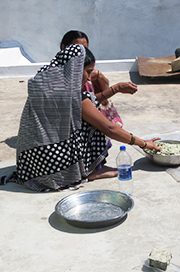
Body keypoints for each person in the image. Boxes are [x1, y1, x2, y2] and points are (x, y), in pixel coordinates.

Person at [10, 44, 161, 191]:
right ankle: (91, 170)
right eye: (88, 72)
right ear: (75, 69)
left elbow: (87, 102)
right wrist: (143, 144)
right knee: (96, 117)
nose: (89, 78)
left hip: (32, 166)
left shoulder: (43, 84)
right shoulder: (72, 97)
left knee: (90, 105)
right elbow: (109, 128)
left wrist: (116, 88)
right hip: (57, 171)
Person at [60, 30, 137, 127]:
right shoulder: (65, 74)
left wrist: (100, 76)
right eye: (77, 49)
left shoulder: (86, 67)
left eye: (85, 49)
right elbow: (84, 104)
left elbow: (104, 90)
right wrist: (116, 88)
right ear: (64, 47)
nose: (82, 53)